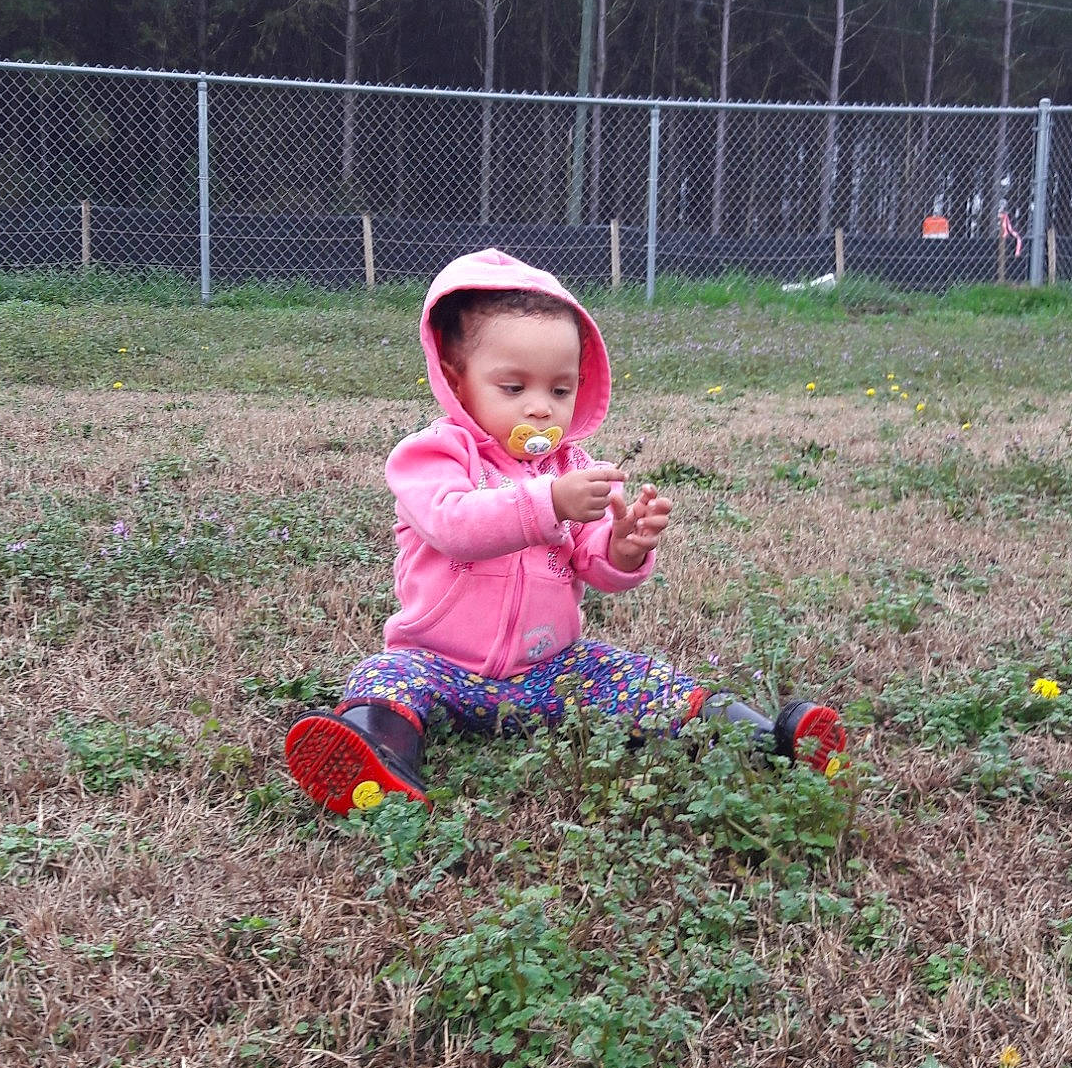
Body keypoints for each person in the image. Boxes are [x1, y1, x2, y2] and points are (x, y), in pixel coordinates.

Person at [284, 248, 845, 813]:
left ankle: (768, 741)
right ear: (457, 380)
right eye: (513, 388)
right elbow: (454, 525)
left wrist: (622, 548)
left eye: (559, 390)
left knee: (642, 677)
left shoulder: (573, 469)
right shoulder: (433, 455)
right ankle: (379, 759)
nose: (541, 409)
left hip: (551, 669)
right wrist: (548, 502)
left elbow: (589, 561)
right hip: (439, 666)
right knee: (384, 676)